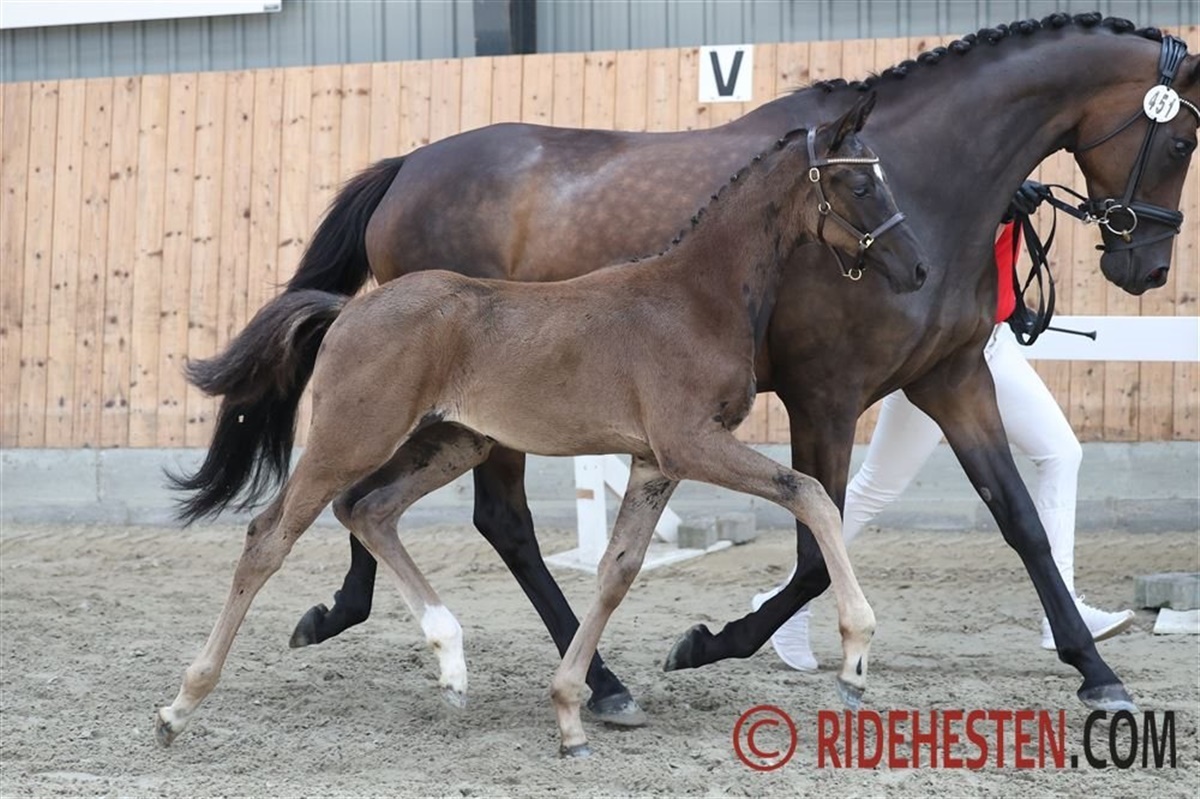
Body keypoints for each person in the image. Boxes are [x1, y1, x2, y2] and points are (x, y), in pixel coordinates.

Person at [752, 200, 1135, 672]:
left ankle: (1064, 608)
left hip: (988, 344)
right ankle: (786, 602)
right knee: (876, 489)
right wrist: (998, 211)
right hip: (938, 360)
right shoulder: (971, 183)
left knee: (1061, 453)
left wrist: (1012, 302)